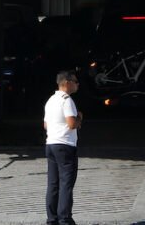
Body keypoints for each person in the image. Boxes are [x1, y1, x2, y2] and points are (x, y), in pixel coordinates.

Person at [44, 70, 82, 225]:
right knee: (66, 183)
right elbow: (72, 124)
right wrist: (79, 118)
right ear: (67, 83)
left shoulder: (51, 100)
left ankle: (52, 219)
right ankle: (65, 219)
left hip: (51, 143)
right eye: (75, 81)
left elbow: (45, 125)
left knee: (53, 184)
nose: (77, 84)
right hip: (65, 145)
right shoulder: (67, 100)